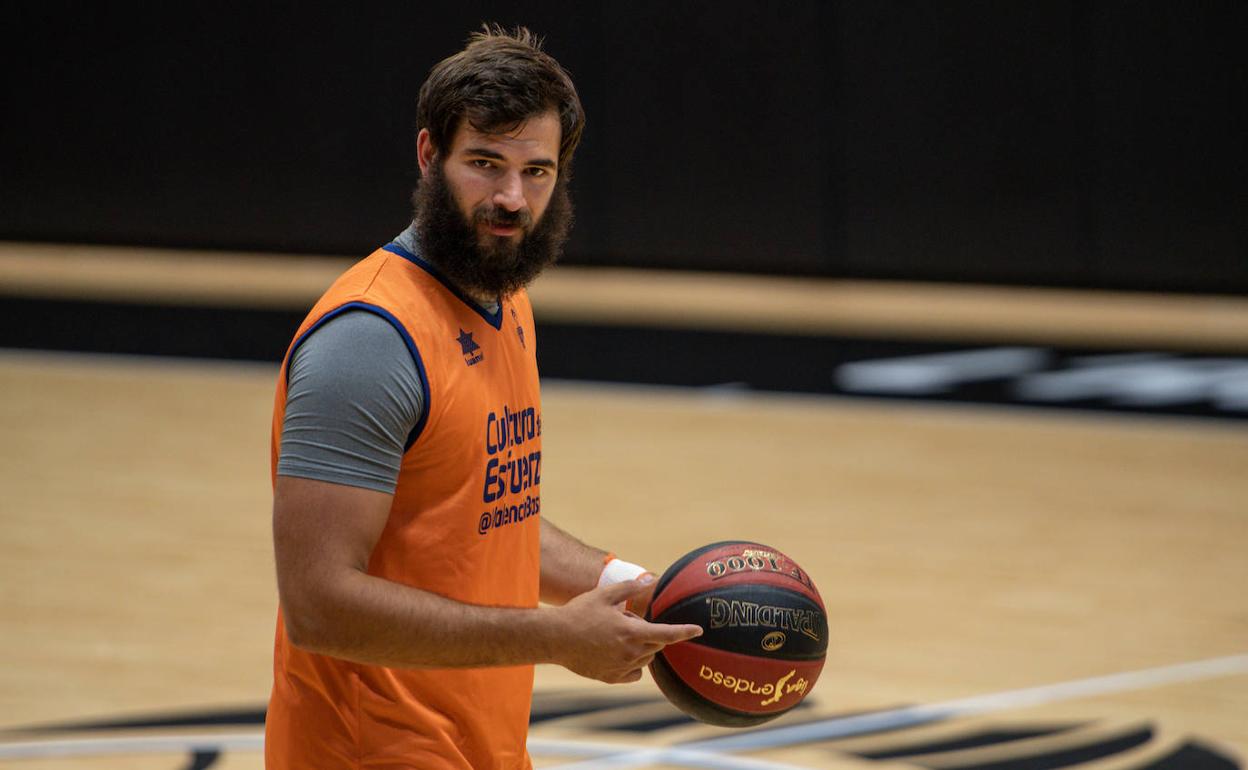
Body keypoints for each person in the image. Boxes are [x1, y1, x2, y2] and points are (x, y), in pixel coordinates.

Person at [263, 25, 702, 770]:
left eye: (537, 171)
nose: (510, 198)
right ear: (429, 154)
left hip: (480, 746)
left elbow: (483, 518)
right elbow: (318, 605)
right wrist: (560, 638)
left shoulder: (503, 295)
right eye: (485, 164)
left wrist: (624, 586)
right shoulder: (368, 343)